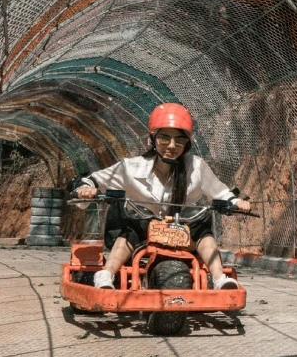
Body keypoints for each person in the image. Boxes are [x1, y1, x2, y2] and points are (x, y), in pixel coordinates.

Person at [73, 103, 250, 290]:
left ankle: (219, 278)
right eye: (165, 138)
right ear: (153, 139)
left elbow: (221, 192)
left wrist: (236, 202)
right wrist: (86, 189)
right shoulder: (131, 168)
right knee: (130, 230)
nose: (172, 146)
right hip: (142, 230)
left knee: (203, 231)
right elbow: (93, 180)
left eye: (179, 141)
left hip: (181, 228)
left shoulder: (196, 167)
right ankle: (105, 275)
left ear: (187, 144)